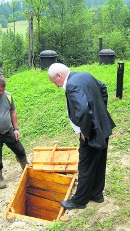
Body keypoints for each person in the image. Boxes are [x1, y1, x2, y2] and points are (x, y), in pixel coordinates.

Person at [48, 63, 116, 210]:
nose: (57, 86)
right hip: (102, 127)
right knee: (98, 161)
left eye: (55, 83)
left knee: (85, 165)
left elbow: (84, 109)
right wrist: (100, 113)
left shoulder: (71, 85)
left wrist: (85, 131)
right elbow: (103, 88)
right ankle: (96, 194)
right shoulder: (85, 75)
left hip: (91, 132)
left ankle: (78, 201)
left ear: (59, 75)